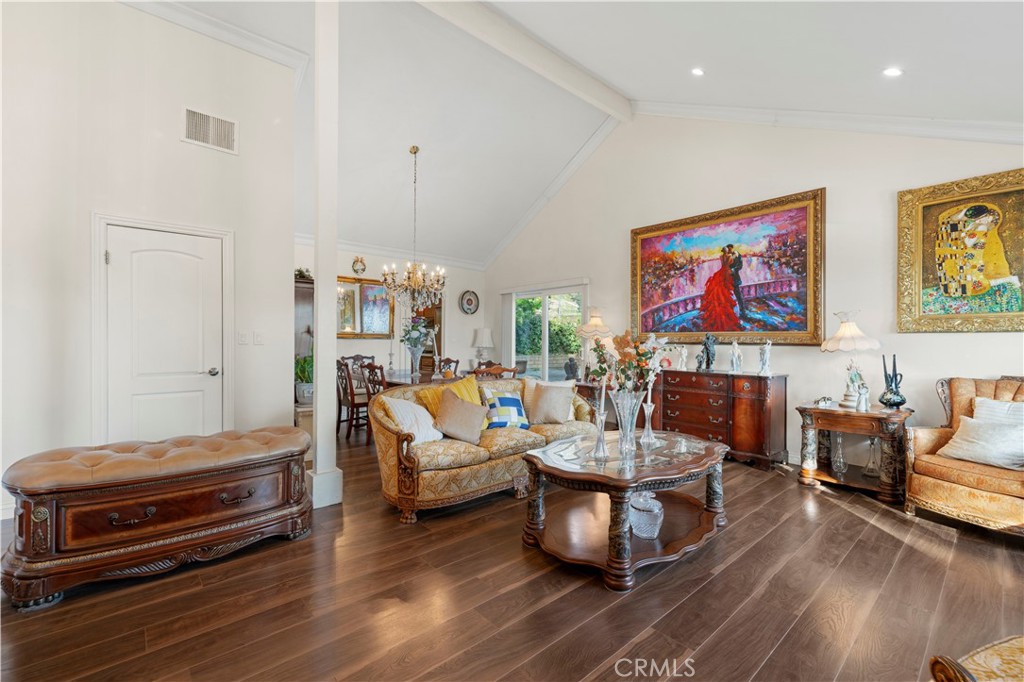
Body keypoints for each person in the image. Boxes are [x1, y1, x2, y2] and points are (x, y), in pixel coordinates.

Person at [699, 247, 740, 331]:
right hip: (727, 272)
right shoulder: (730, 256)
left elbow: (724, 263)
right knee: (725, 289)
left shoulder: (721, 257)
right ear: (727, 251)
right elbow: (731, 263)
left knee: (720, 288)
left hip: (721, 272)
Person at [725, 244, 746, 318]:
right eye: (728, 248)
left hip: (734, 278)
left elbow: (740, 265)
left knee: (738, 295)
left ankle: (742, 311)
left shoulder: (737, 255)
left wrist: (733, 270)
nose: (729, 250)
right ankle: (729, 313)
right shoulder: (725, 256)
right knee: (726, 297)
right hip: (726, 279)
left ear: (732, 248)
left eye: (730, 248)